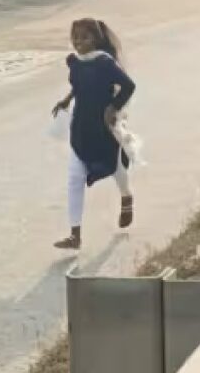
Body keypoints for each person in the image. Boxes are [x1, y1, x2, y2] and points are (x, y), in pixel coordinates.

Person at [51, 19, 137, 249]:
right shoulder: (76, 63)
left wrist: (113, 107)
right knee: (74, 178)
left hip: (104, 129)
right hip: (81, 128)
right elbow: (78, 87)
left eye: (84, 37)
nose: (79, 42)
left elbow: (128, 86)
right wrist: (66, 100)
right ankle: (75, 235)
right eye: (75, 38)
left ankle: (127, 197)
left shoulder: (105, 63)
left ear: (96, 39)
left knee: (116, 168)